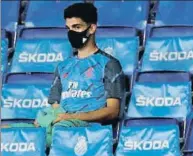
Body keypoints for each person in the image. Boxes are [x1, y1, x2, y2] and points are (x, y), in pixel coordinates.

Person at [2, 2, 126, 146]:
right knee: (5, 131)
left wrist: (71, 117)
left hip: (87, 129)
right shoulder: (62, 66)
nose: (72, 33)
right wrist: (47, 119)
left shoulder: (110, 64)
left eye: (77, 27)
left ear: (91, 28)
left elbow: (112, 111)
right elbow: (55, 106)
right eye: (69, 28)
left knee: (58, 131)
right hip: (59, 124)